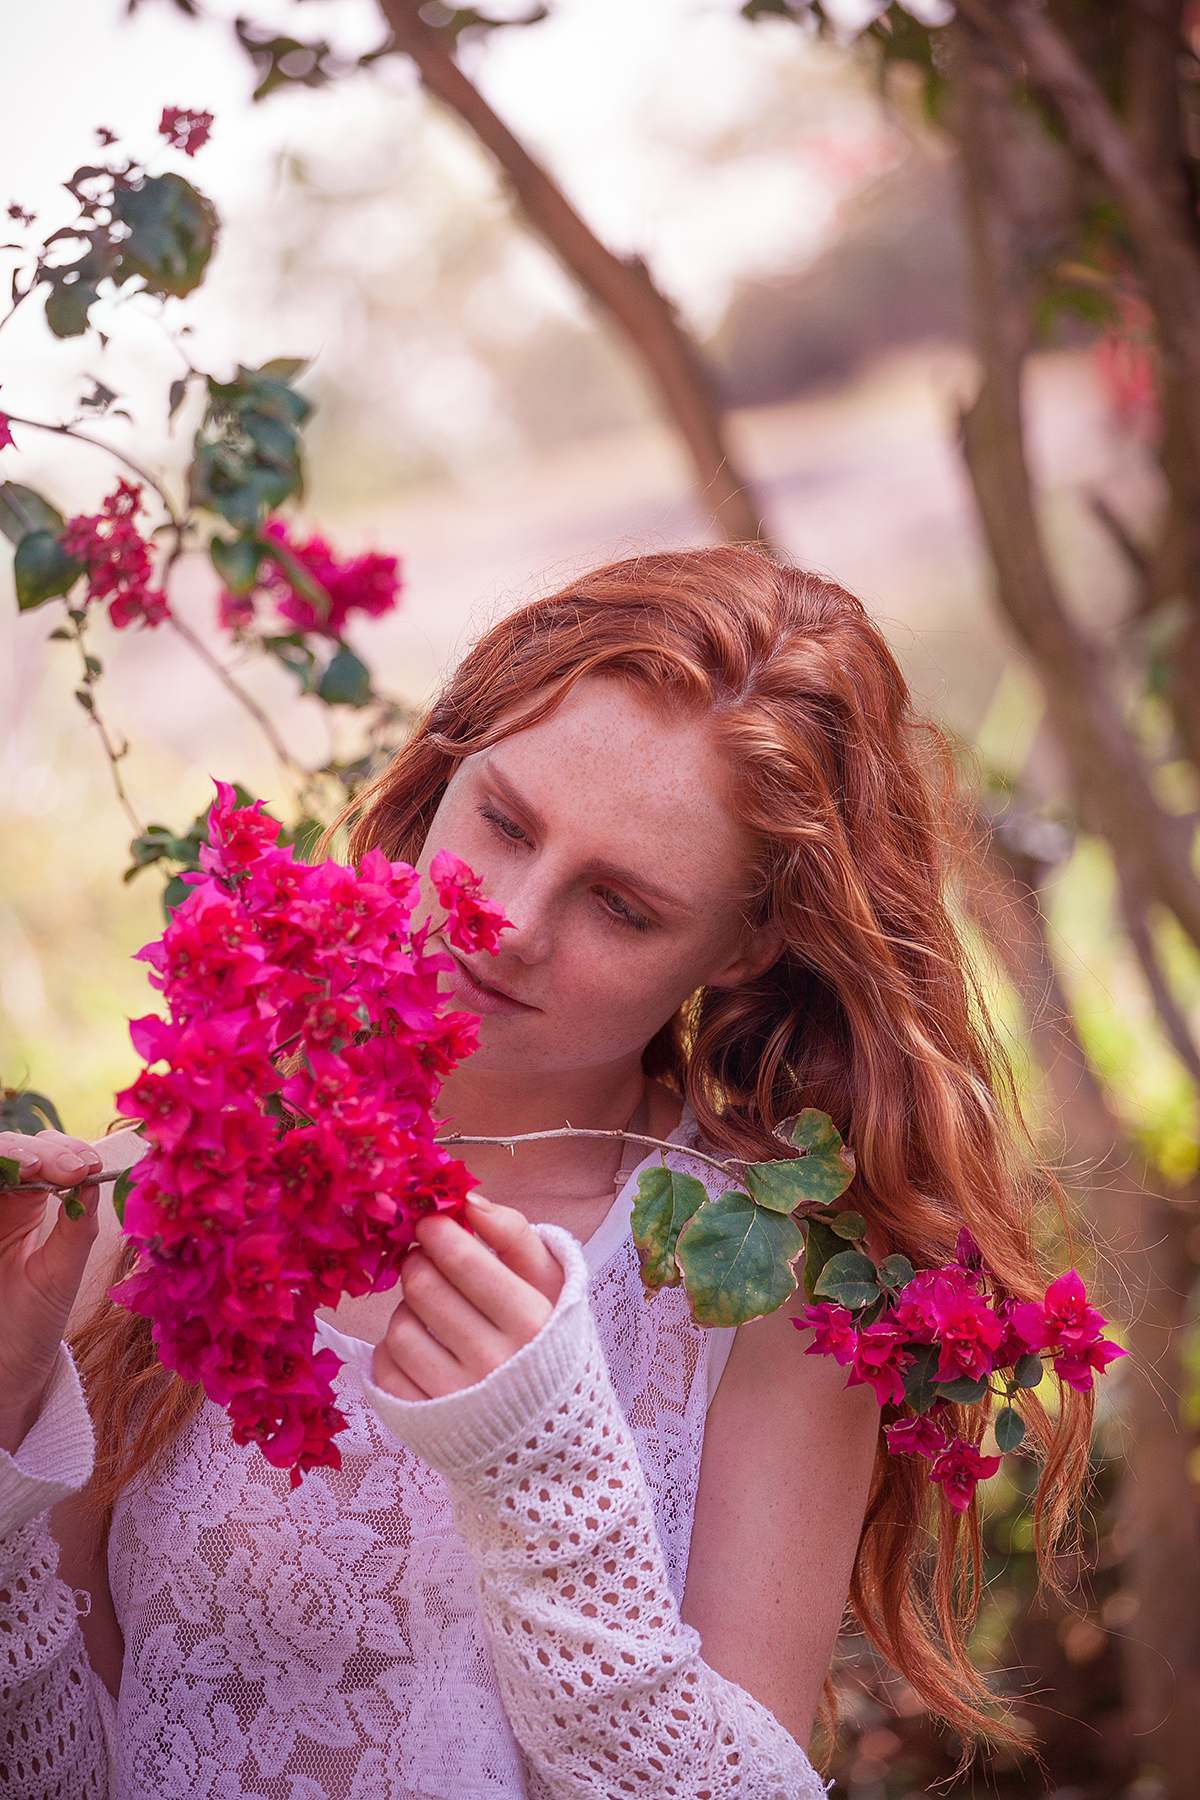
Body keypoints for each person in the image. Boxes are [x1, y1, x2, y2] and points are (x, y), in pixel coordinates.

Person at [0, 546, 1090, 1800]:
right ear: (450, 763)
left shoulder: (760, 1283)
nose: (511, 923)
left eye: (621, 906)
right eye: (504, 823)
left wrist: (548, 1482)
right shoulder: (171, 1195)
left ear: (748, 944)